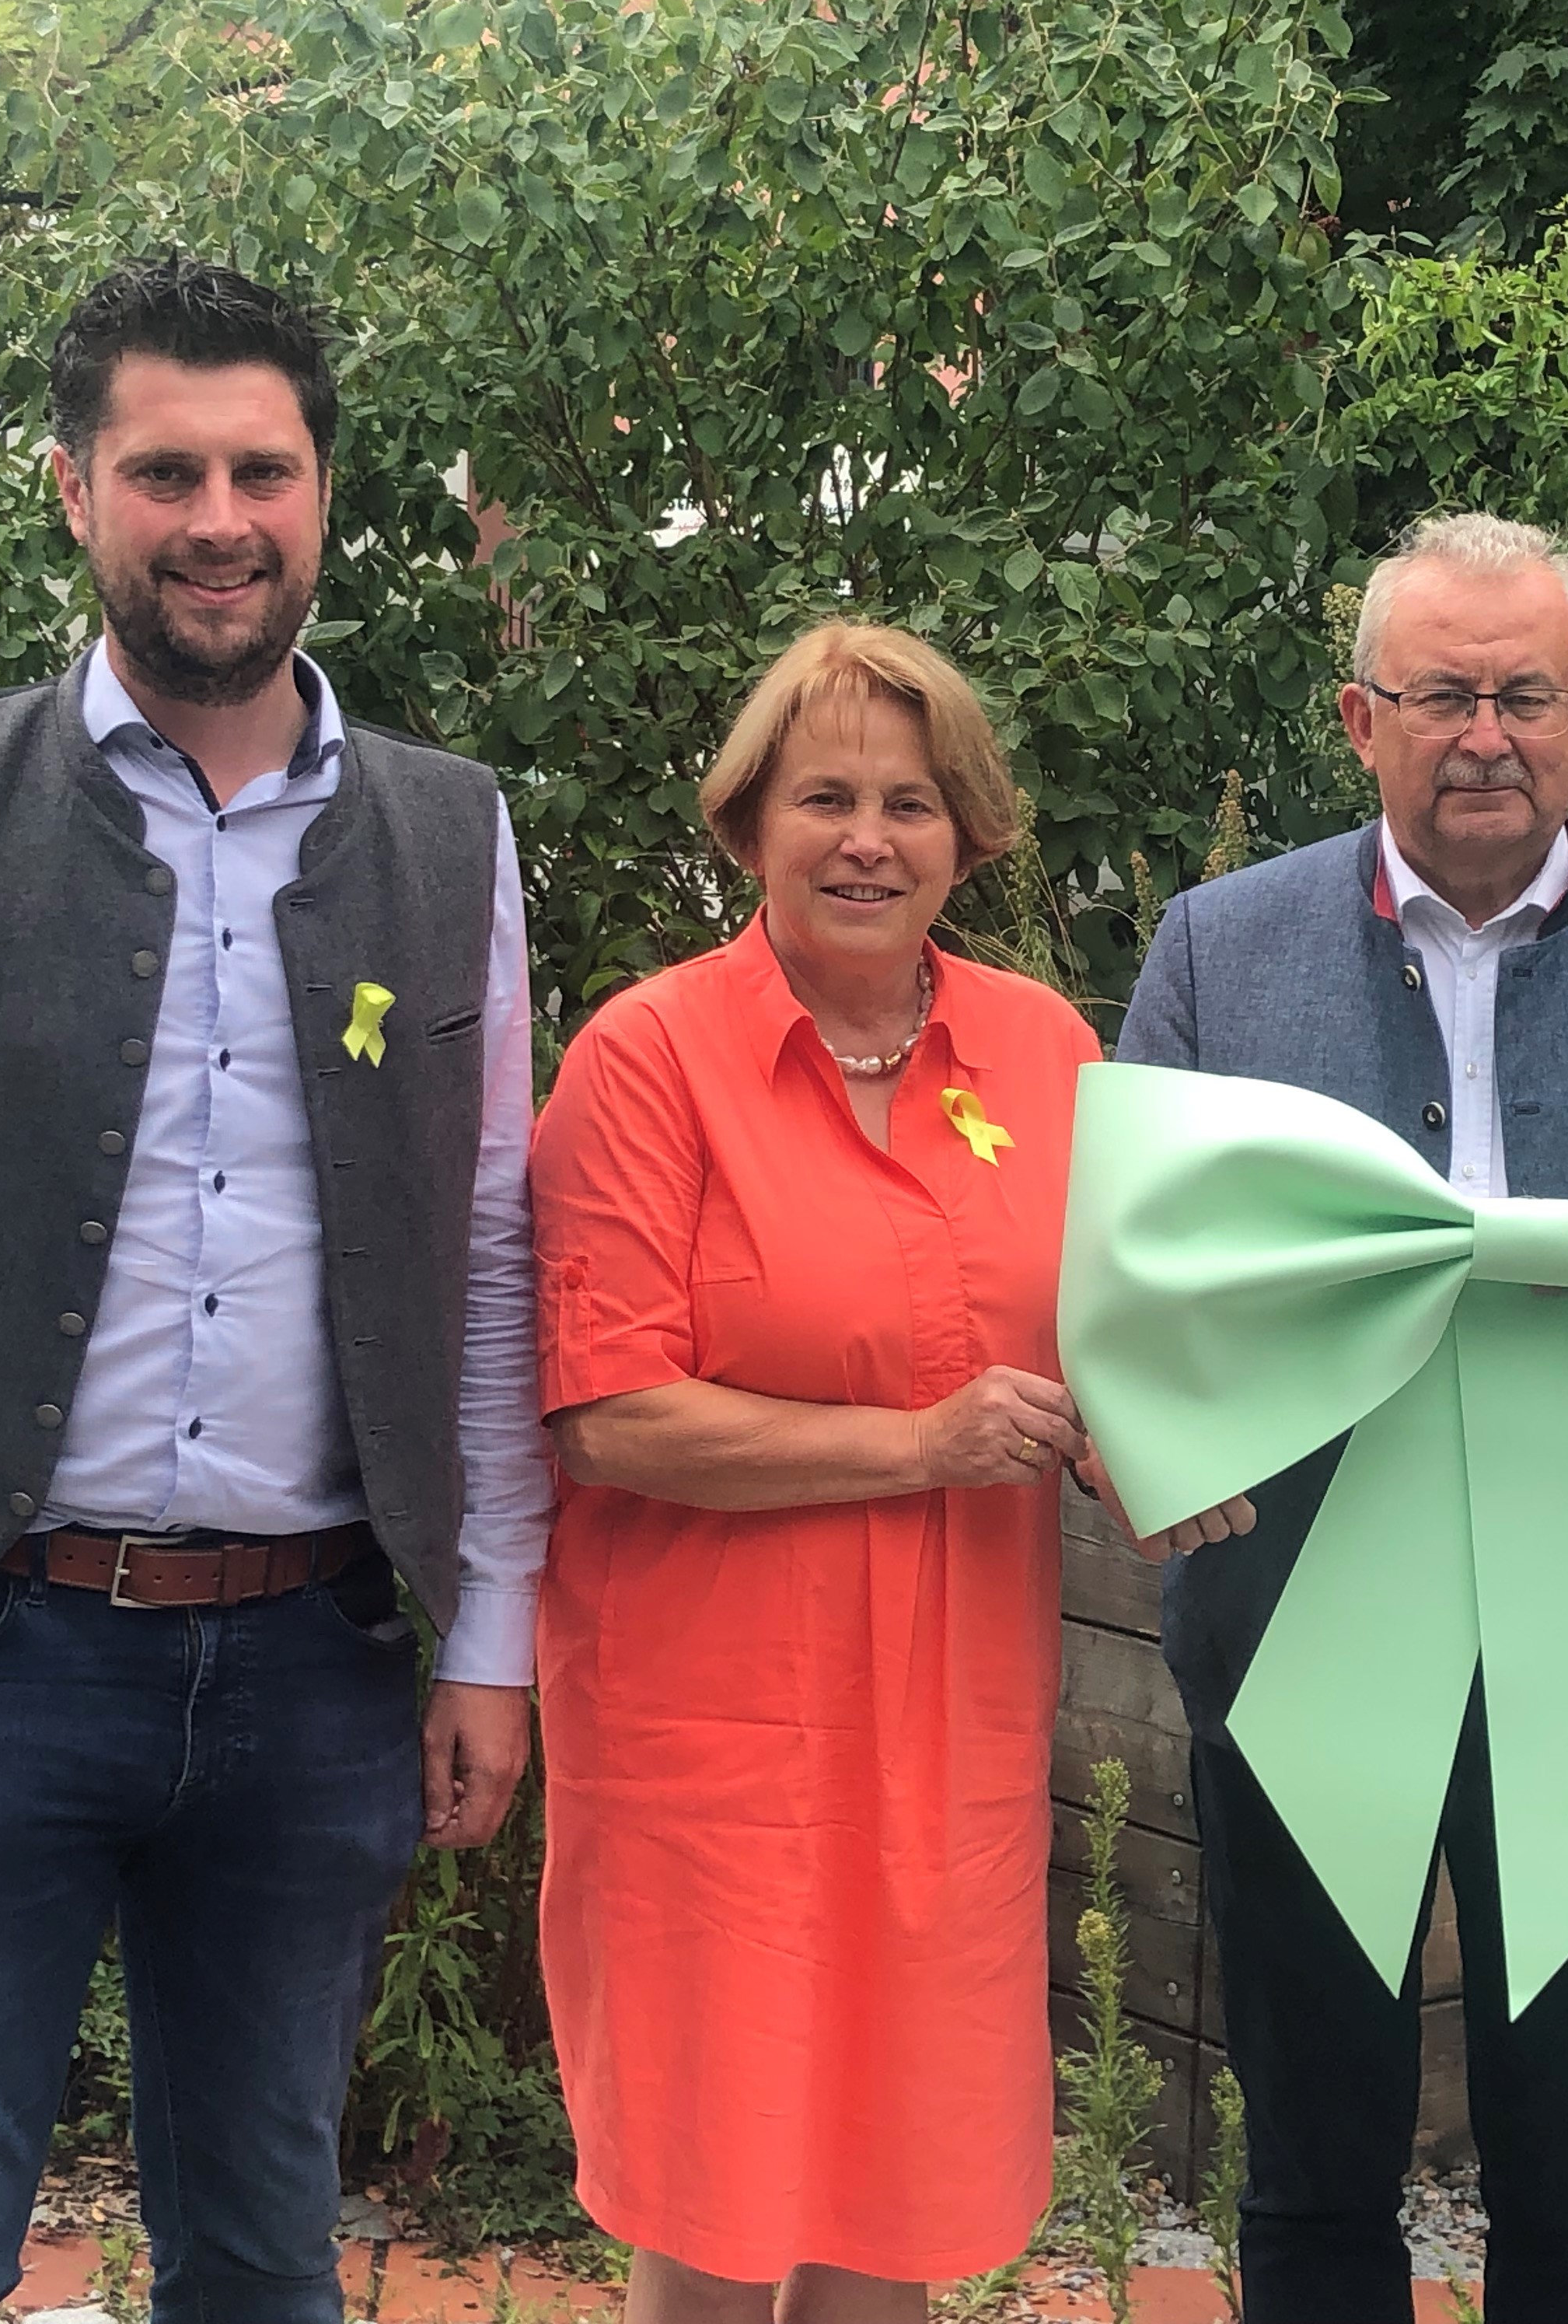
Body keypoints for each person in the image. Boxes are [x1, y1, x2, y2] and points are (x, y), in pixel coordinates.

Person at [0, 257, 550, 2324]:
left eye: (264, 467)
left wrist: (495, 1625)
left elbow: (494, 1259)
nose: (219, 517)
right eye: (167, 470)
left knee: (260, 2270)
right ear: (76, 492)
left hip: (314, 1672)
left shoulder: (449, 838)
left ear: (325, 492)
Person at [1104, 512, 1568, 2324]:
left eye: (1524, 693)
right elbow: (1134, 1264)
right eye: (1441, 693)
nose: (1483, 731)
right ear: (1362, 720)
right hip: (1300, 1622)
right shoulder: (1217, 949)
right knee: (1314, 2155)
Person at [529, 619, 1102, 2322]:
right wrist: (923, 1445)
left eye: (913, 802)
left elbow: (1122, 1342)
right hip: (714, 1736)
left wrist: (1171, 1451)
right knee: (714, 2204)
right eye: (826, 797)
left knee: (900, 2195)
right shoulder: (649, 1058)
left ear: (969, 834)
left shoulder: (1049, 1054)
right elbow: (608, 1413)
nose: (870, 837)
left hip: (952, 1725)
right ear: (747, 826)